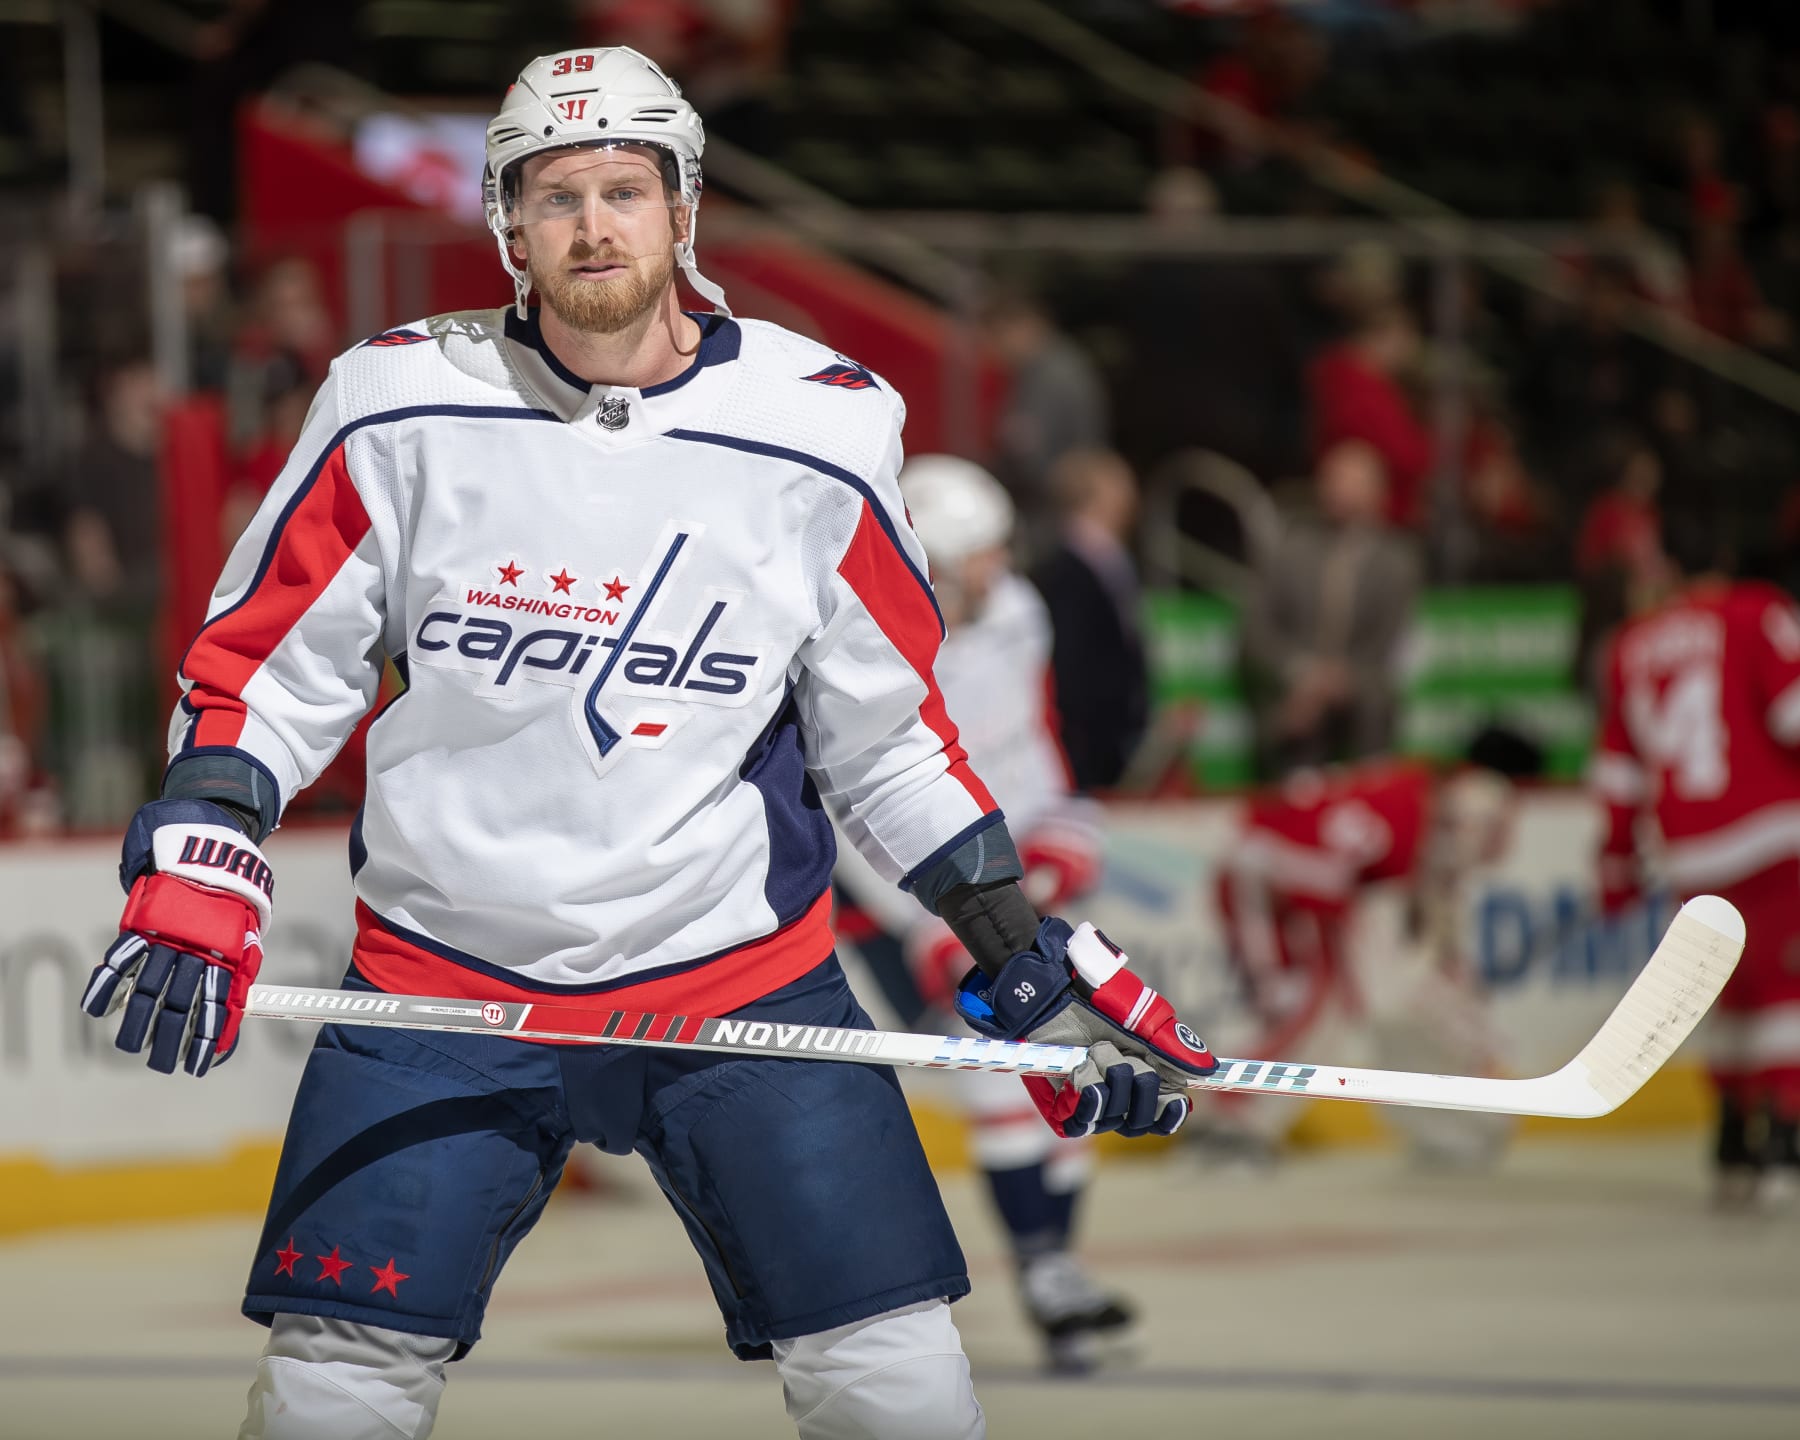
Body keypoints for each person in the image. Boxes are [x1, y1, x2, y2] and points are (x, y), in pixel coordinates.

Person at [75, 48, 1218, 1440]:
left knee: (893, 1374)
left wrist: (1015, 943)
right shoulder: (392, 402)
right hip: (444, 977)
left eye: (626, 188)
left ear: (685, 210)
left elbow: (889, 738)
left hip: (739, 975)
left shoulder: (823, 425)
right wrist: (208, 834)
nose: (594, 224)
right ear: (506, 225)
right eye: (553, 196)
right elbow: (272, 661)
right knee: (335, 1382)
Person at [833, 454, 1129, 1372]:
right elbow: (846, 806)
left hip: (999, 873)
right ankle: (1047, 1272)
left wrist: (1062, 828)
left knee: (1079, 1054)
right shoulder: (857, 641)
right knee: (1001, 1075)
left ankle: (1056, 1271)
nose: (999, 573)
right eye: (980, 556)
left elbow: (1031, 740)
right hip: (902, 896)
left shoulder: (1017, 615)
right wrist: (929, 922)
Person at [1591, 508, 1800, 1209]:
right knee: (1783, 990)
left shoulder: (1631, 644)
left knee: (1728, 993)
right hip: (1772, 835)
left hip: (1690, 853)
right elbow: (1794, 714)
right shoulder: (1754, 612)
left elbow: (1619, 775)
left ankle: (1733, 1135)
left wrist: (1616, 863)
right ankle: (1786, 1139)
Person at [1211, 727, 1544, 1167]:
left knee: (1319, 1008)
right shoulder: (1472, 795)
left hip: (1281, 877)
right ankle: (1235, 1121)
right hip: (1283, 881)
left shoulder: (1416, 787)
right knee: (1317, 1010)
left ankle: (1236, 1118)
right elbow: (1403, 897)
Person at [1241, 439, 1421, 779]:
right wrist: (1303, 675)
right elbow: (1256, 633)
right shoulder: (1287, 551)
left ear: (1378, 492)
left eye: (1353, 481)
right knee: (1293, 717)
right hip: (1294, 695)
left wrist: (1340, 682)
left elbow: (1388, 647)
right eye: (1333, 479)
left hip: (1361, 704)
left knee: (1373, 703)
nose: (1341, 490)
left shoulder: (1400, 562)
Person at [1031, 448, 1150, 793]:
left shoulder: (1111, 560)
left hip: (1113, 741)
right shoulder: (1067, 572)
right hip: (1088, 749)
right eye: (1120, 484)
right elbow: (1073, 665)